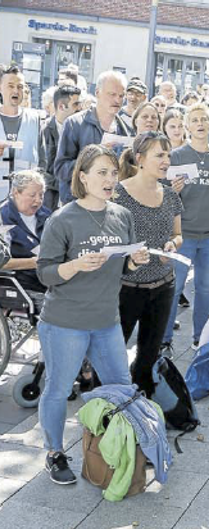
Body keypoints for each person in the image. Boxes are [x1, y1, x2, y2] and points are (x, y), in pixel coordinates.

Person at [36, 145, 149, 485]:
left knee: (122, 389)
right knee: (57, 389)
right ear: (82, 177)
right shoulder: (63, 219)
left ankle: (118, 450)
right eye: (101, 172)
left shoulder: (122, 215)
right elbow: (45, 273)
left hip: (106, 322)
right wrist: (75, 265)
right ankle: (54, 453)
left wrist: (133, 261)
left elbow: (124, 264)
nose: (110, 179)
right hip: (64, 323)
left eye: (113, 173)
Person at [160, 103, 209, 356]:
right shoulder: (177, 156)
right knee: (174, 289)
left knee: (205, 289)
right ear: (187, 126)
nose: (200, 123)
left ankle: (202, 338)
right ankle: (164, 340)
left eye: (204, 119)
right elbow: (160, 195)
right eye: (195, 120)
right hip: (182, 236)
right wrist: (172, 191)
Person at [117, 133, 183, 395]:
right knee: (113, 352)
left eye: (168, 155)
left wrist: (173, 245)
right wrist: (130, 255)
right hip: (127, 288)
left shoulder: (170, 195)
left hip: (163, 286)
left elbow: (178, 235)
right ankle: (105, 411)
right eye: (159, 155)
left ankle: (141, 408)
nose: (166, 160)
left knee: (148, 355)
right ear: (140, 158)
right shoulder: (119, 194)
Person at [55, 70, 132, 204]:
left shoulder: (126, 130)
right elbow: (61, 170)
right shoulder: (75, 124)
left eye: (121, 95)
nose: (117, 100)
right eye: (112, 94)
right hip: (79, 206)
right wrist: (94, 157)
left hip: (112, 206)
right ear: (97, 92)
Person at [1, 170, 51, 292]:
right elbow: (2, 262)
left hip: (52, 280)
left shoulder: (47, 215)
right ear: (16, 193)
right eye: (32, 195)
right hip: (23, 286)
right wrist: (33, 262)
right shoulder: (3, 218)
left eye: (41, 195)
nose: (38, 200)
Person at [0, 65, 45, 196]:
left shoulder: (34, 119)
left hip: (24, 202)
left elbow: (43, 160)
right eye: (10, 86)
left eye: (20, 87)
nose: (16, 90)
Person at [41, 85, 81, 210]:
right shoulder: (43, 130)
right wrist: (63, 183)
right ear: (61, 107)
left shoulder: (80, 130)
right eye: (75, 104)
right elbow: (40, 169)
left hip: (73, 200)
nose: (79, 108)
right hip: (48, 200)